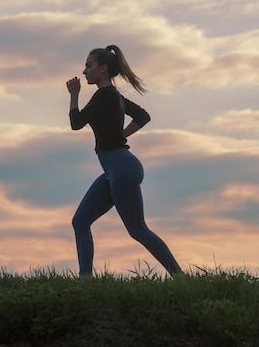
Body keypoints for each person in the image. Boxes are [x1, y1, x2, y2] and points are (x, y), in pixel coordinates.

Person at [66, 45, 182, 276]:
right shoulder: (114, 96)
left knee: (137, 229)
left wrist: (74, 95)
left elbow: (76, 123)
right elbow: (143, 116)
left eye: (89, 66)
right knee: (80, 222)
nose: (85, 70)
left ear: (103, 68)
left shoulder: (104, 96)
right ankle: (85, 281)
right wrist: (121, 136)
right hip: (115, 170)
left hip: (121, 168)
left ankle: (180, 277)